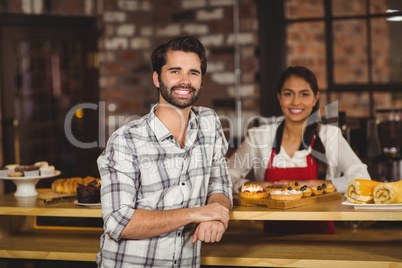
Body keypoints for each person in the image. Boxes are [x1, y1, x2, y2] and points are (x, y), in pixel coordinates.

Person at [96, 36, 233, 267]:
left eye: (193, 73)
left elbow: (219, 186)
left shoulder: (209, 124)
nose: (185, 81)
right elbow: (119, 222)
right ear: (157, 78)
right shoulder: (126, 140)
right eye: (175, 71)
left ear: (201, 80)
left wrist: (218, 216)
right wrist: (195, 213)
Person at [228, 66, 371, 233]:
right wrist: (257, 187)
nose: (296, 102)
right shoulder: (260, 137)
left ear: (315, 98)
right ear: (279, 97)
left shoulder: (329, 136)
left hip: (322, 239)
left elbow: (363, 179)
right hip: (271, 243)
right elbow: (225, 177)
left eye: (304, 94)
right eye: (288, 94)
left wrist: (314, 184)